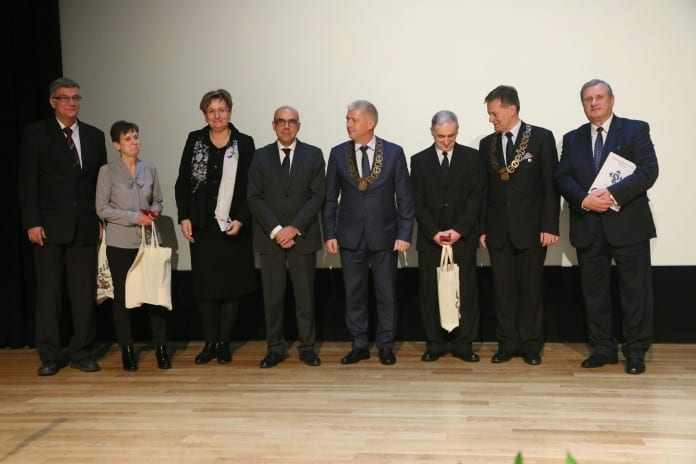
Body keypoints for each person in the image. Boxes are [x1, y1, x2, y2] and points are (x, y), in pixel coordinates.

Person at [556, 79, 658, 375]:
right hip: (588, 225)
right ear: (583, 104)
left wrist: (612, 195)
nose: (594, 103)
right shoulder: (572, 138)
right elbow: (562, 177)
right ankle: (603, 349)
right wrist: (585, 199)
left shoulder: (635, 130)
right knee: (594, 293)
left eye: (599, 97)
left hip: (628, 225)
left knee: (635, 293)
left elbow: (648, 171)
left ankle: (635, 352)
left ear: (611, 100)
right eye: (588, 99)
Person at [17, 77, 107, 376]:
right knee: (49, 295)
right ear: (52, 102)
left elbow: (99, 184)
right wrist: (32, 221)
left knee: (83, 295)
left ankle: (82, 352)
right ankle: (49, 355)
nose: (71, 103)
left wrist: (99, 219)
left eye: (76, 97)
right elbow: (27, 181)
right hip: (48, 227)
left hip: (84, 225)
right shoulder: (36, 133)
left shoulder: (94, 136)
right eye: (65, 98)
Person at [323, 99, 415, 366]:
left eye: (353, 119)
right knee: (354, 294)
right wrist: (329, 233)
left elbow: (405, 198)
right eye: (347, 119)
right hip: (349, 236)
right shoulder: (338, 153)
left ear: (370, 123)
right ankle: (359, 344)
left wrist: (404, 234)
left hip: (385, 236)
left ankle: (385, 345)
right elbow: (330, 199)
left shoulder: (394, 153)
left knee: (386, 294)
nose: (348, 124)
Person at [479, 85, 560, 366]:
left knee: (530, 289)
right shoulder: (487, 144)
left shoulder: (541, 138)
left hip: (532, 230)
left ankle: (530, 345)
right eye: (490, 114)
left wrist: (550, 225)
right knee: (503, 292)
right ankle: (507, 343)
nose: (491, 119)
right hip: (498, 231)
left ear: (512, 109)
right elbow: (484, 190)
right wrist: (483, 228)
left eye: (494, 113)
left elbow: (550, 185)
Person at [174, 89, 257, 365]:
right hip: (202, 226)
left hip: (233, 226)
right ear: (204, 114)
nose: (217, 116)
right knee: (206, 287)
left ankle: (224, 343)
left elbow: (251, 187)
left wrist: (242, 219)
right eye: (211, 111)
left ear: (230, 112)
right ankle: (209, 343)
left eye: (221, 110)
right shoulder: (195, 140)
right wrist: (184, 216)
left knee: (231, 286)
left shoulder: (244, 143)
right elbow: (183, 183)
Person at [247, 106, 326, 368]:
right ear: (273, 125)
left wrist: (293, 228)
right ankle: (275, 348)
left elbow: (317, 196)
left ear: (298, 126)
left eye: (291, 122)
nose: (286, 126)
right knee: (273, 298)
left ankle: (307, 348)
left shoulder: (313, 155)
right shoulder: (260, 156)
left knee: (305, 297)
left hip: (302, 237)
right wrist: (276, 230)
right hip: (270, 238)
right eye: (281, 121)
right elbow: (254, 197)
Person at [96, 121, 171, 371]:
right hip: (120, 242)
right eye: (128, 138)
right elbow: (102, 208)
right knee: (122, 298)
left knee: (155, 297)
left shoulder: (149, 169)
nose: (134, 142)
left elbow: (158, 200)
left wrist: (153, 213)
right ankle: (127, 349)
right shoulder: (107, 171)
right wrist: (133, 217)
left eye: (136, 137)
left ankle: (161, 348)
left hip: (147, 242)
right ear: (117, 144)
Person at [410, 110, 483, 363]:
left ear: (457, 131)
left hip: (462, 238)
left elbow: (475, 197)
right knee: (430, 292)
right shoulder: (419, 161)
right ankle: (435, 343)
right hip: (431, 240)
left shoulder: (472, 158)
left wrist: (459, 230)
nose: (446, 141)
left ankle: (464, 344)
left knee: (466, 292)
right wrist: (434, 232)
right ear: (432, 132)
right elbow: (417, 201)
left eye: (451, 136)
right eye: (441, 136)